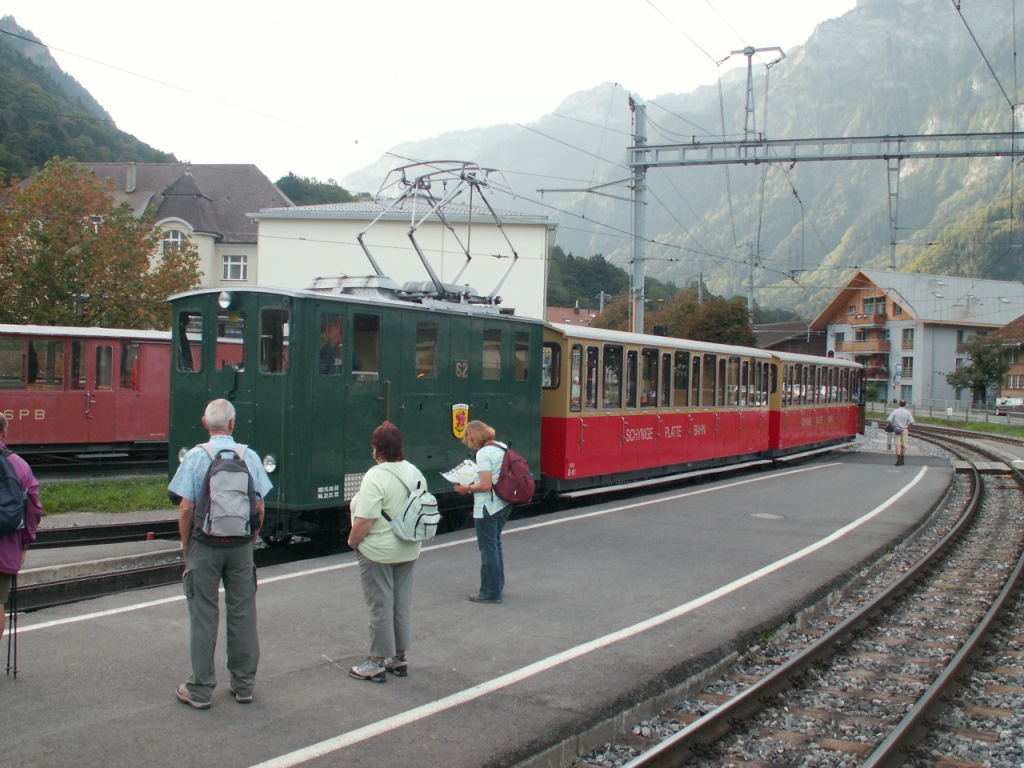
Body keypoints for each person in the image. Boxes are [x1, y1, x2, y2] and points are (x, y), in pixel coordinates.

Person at [169, 399, 272, 709]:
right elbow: (259, 505)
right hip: (240, 547)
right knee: (243, 615)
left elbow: (186, 508)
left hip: (204, 545)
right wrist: (251, 538)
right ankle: (244, 685)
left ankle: (200, 689)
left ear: (204, 422)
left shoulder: (196, 457)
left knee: (204, 616)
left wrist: (187, 546)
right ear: (232, 424)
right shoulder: (249, 456)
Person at [347, 421, 426, 682]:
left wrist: (353, 541)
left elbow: (365, 519)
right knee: (401, 605)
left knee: (380, 606)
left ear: (376, 449)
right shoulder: (415, 472)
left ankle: (376, 662)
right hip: (409, 548)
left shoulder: (375, 476)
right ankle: (399, 659)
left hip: (378, 551)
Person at [454, 420, 510, 604]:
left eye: (467, 438)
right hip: (503, 503)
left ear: (473, 436)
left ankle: (490, 592)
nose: (467, 442)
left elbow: (485, 485)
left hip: (487, 507)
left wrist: (467, 488)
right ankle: (497, 585)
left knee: (488, 549)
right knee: (495, 545)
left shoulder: (483, 454)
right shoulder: (500, 447)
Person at [0, 415, 42, 646]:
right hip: (5, 546)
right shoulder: (18, 464)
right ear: (4, 432)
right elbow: (33, 509)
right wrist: (24, 544)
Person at [886, 399, 915, 466]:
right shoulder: (907, 412)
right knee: (903, 445)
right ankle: (902, 459)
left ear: (899, 404)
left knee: (897, 445)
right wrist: (908, 427)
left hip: (897, 429)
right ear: (905, 404)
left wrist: (893, 426)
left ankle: (898, 458)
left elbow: (889, 420)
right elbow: (911, 422)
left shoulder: (895, 411)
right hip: (904, 429)